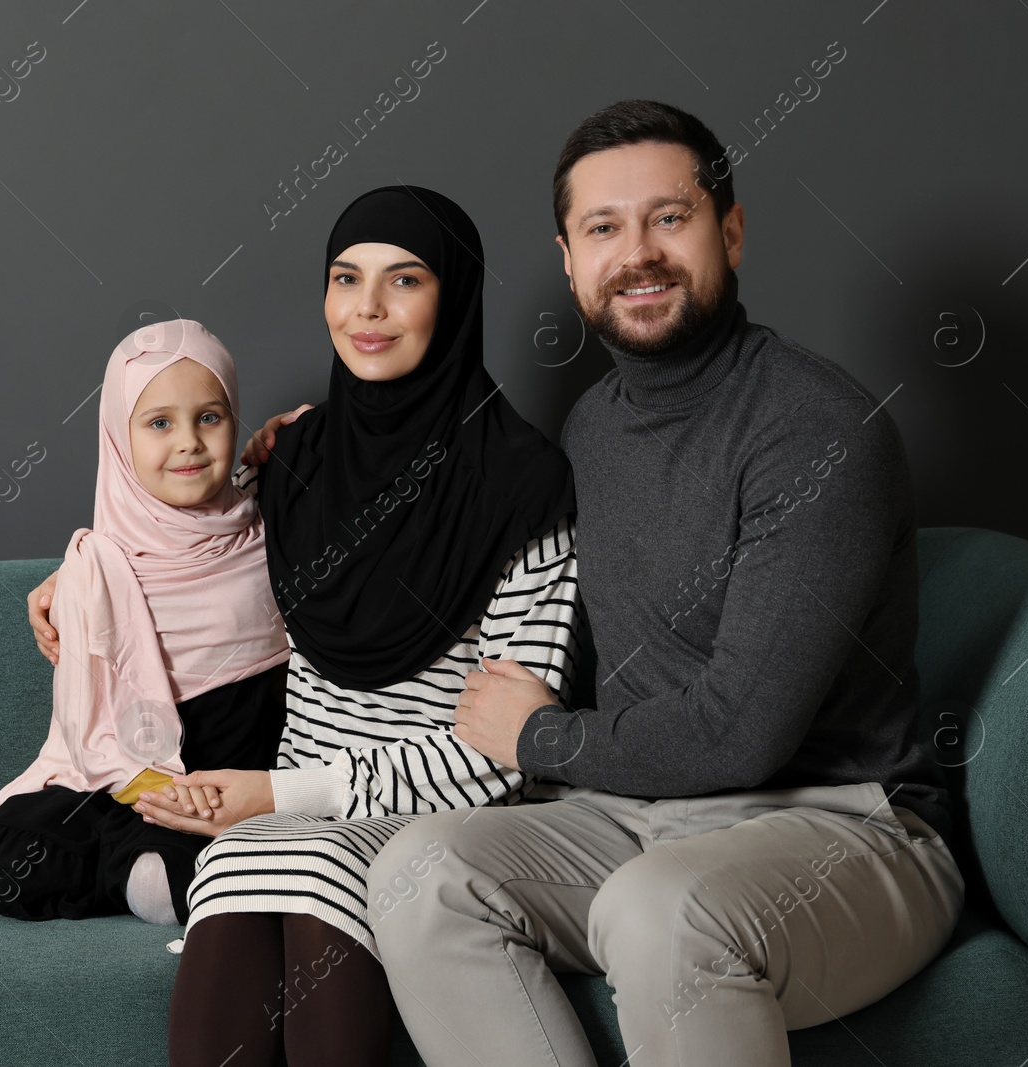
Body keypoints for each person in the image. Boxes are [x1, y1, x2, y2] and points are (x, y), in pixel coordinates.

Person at [364, 100, 966, 1067]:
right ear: (568, 259)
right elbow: (451, 535)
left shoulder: (815, 430)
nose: (636, 252)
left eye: (669, 218)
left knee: (659, 911)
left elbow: (740, 731)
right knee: (415, 872)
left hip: (844, 826)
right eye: (603, 228)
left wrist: (539, 734)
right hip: (637, 816)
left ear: (730, 229)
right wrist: (276, 472)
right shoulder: (592, 427)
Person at [61, 184, 579, 1066]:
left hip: (443, 811)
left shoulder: (526, 485)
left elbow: (503, 754)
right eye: (346, 278)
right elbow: (172, 530)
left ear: (453, 298)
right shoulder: (294, 460)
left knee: (309, 869)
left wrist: (277, 796)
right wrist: (70, 582)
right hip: (293, 804)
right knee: (235, 868)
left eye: (404, 280)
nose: (367, 309)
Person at [0, 319, 289, 927]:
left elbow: (349, 446)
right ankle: (124, 863)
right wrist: (154, 790)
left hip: (243, 770)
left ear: (237, 420)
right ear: (118, 439)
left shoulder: (272, 522)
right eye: (158, 423)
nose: (189, 443)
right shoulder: (96, 565)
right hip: (133, 773)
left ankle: (143, 867)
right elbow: (89, 727)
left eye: (211, 417)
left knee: (172, 862)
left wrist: (297, 432)